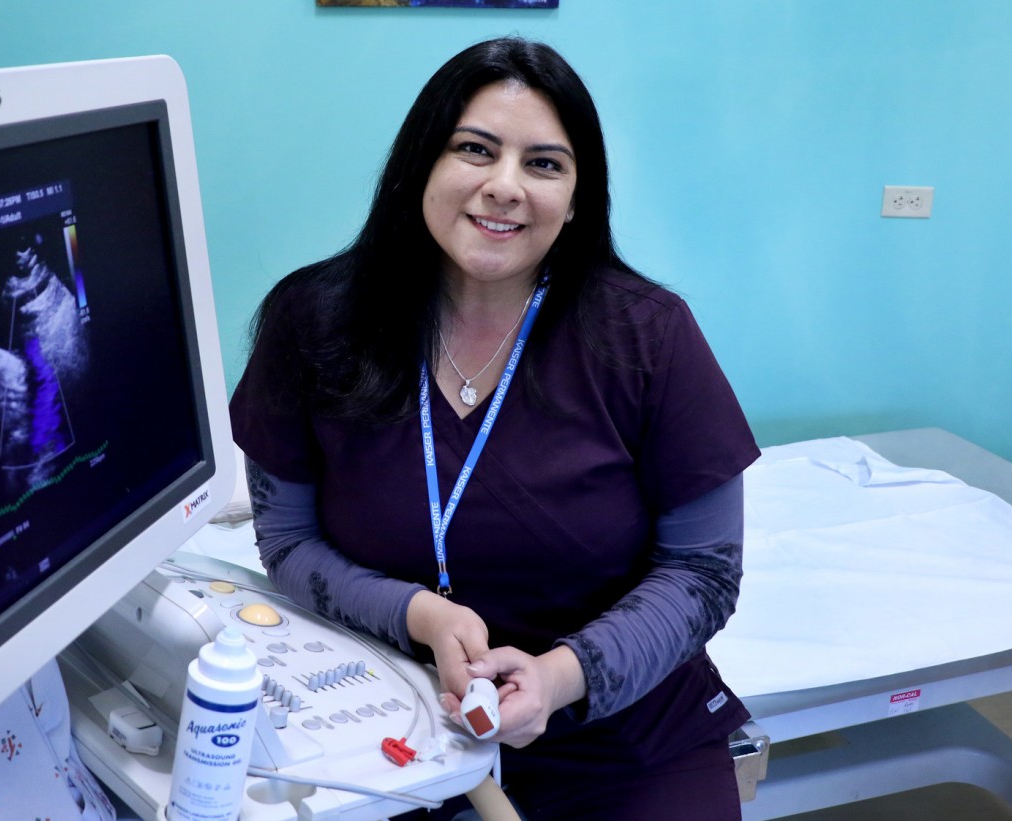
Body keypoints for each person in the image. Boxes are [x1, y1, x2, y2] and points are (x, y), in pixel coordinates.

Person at [229, 36, 759, 819]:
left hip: (619, 735)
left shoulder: (648, 336)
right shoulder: (315, 322)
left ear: (577, 198)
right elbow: (286, 541)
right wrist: (417, 613)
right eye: (475, 149)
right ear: (420, 165)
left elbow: (704, 573)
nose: (504, 186)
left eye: (544, 164)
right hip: (388, 718)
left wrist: (563, 675)